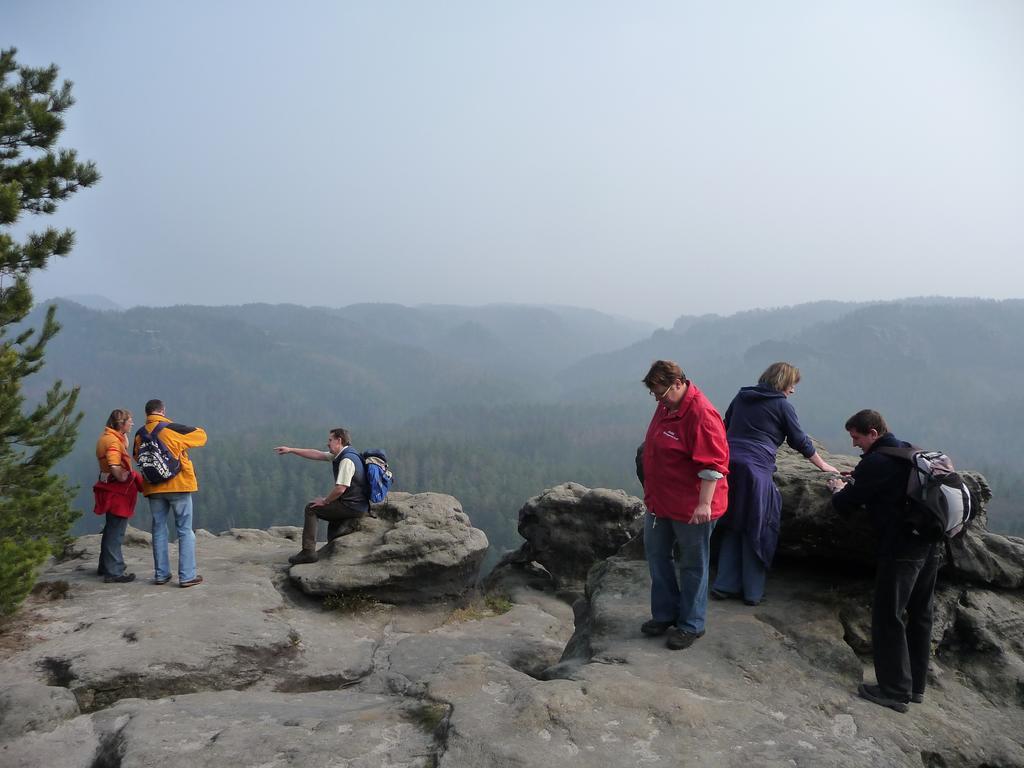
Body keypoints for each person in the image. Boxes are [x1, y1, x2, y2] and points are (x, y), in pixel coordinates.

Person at [827, 409, 939, 714]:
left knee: (888, 615)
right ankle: (915, 686)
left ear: (873, 433)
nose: (854, 444)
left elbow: (844, 504)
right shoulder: (907, 451)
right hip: (930, 543)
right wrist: (860, 478)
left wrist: (839, 488)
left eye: (857, 437)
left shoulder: (876, 461)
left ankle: (893, 690)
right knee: (920, 613)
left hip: (901, 546)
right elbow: (886, 484)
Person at [711, 363, 838, 606]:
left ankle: (724, 585)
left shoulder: (742, 396)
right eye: (792, 385)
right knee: (757, 525)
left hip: (728, 465)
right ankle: (752, 592)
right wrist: (823, 465)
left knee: (732, 523)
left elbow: (724, 427)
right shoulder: (782, 405)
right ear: (782, 383)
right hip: (755, 470)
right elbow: (800, 440)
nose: (793, 391)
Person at [640, 360, 730, 650]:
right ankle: (665, 614)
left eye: (662, 393)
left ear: (679, 383)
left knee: (692, 564)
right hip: (661, 501)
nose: (658, 399)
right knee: (657, 555)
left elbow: (714, 464)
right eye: (654, 395)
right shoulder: (668, 406)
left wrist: (704, 504)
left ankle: (691, 624)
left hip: (693, 506)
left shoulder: (702, 414)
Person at [134, 399, 208, 587]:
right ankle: (187, 576)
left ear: (147, 413)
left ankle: (161, 574)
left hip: (153, 487)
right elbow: (201, 436)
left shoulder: (139, 434)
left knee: (158, 528)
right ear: (163, 411)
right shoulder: (171, 428)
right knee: (184, 530)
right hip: (178, 485)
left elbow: (137, 456)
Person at [275, 427, 369, 565]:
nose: (328, 443)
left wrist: (325, 501)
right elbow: (317, 454)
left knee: (312, 508)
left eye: (330, 440)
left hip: (352, 506)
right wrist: (291, 450)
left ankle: (308, 553)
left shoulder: (346, 460)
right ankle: (333, 549)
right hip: (357, 504)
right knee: (332, 520)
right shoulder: (346, 453)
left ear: (339, 440)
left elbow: (340, 489)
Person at [93, 409, 144, 583]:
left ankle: (105, 566)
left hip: (109, 489)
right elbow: (114, 463)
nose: (132, 424)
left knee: (110, 528)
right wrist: (123, 476)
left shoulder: (106, 438)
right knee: (116, 531)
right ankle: (114, 571)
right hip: (118, 491)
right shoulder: (114, 442)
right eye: (130, 421)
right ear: (121, 424)